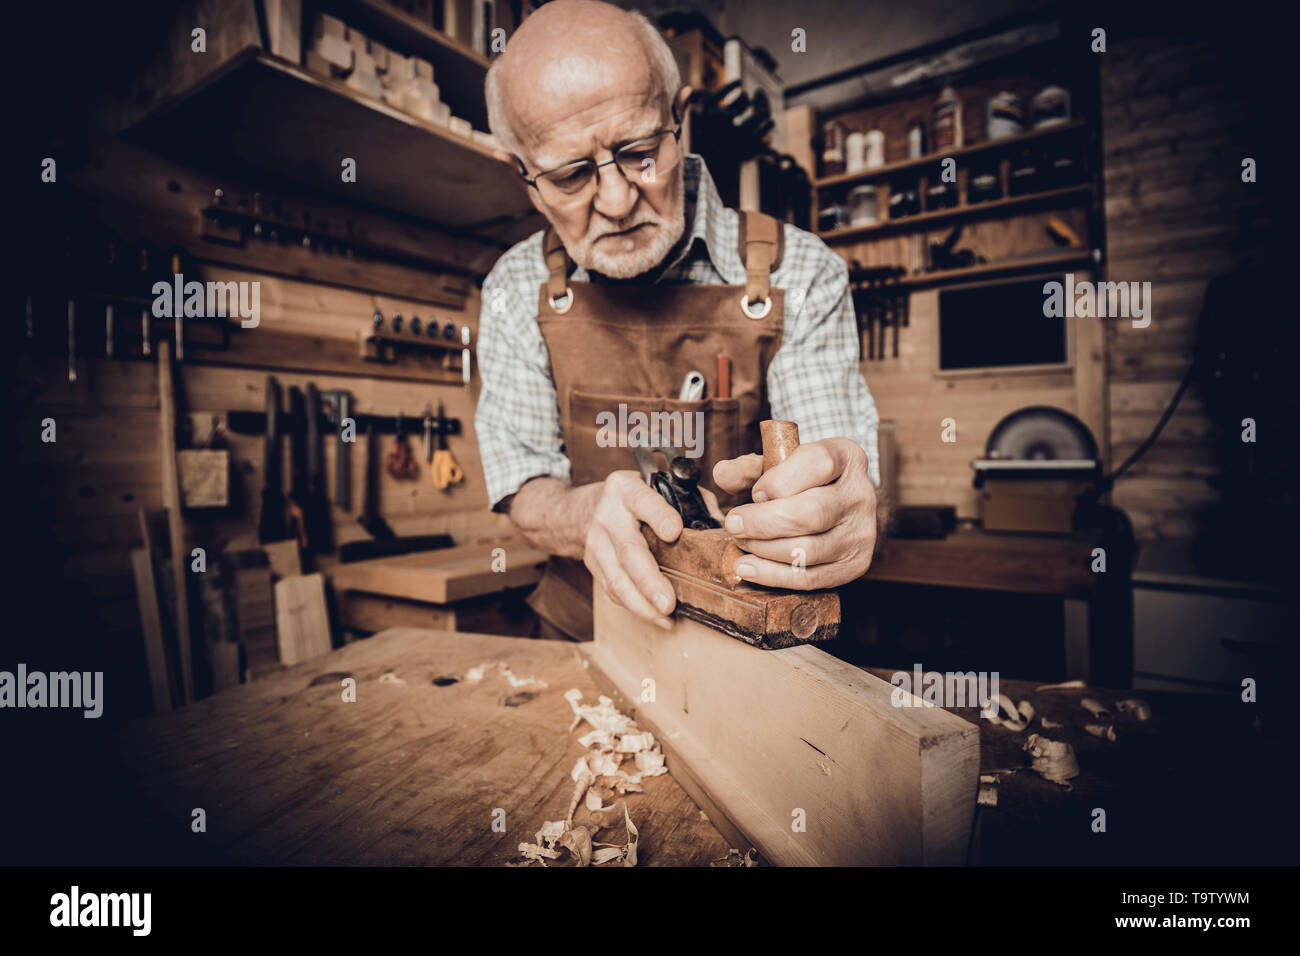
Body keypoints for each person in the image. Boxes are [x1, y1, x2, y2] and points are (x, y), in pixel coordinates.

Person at [475, 0, 879, 641]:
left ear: (679, 118)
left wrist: (844, 504)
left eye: (639, 151)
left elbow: (838, 471)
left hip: (754, 653)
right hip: (587, 638)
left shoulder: (798, 274)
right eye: (570, 174)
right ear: (521, 174)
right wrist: (585, 515)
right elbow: (523, 485)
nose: (615, 199)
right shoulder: (514, 290)